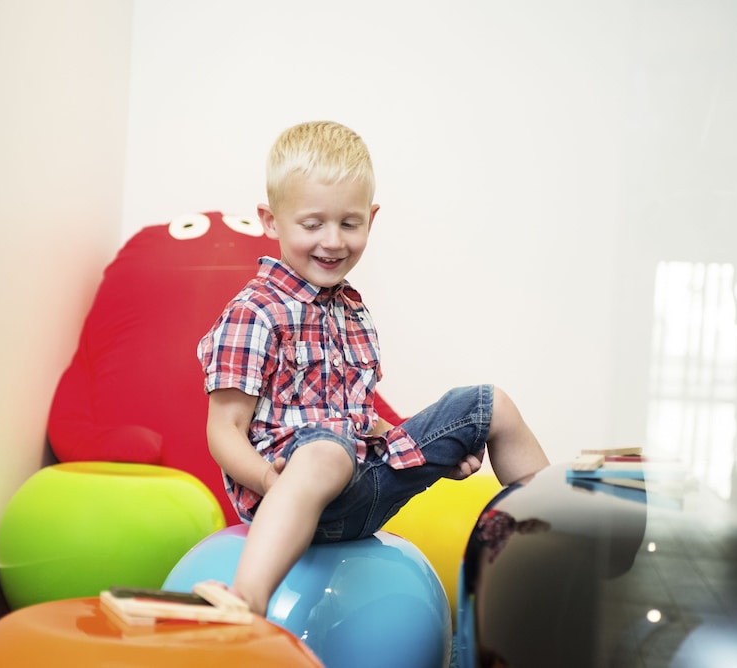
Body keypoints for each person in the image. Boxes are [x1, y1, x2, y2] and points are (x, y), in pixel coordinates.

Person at [197, 120, 549, 615]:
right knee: (326, 453)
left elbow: (360, 419)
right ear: (272, 220)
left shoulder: (351, 311)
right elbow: (224, 430)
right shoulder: (254, 312)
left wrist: (430, 450)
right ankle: (248, 598)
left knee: (491, 405)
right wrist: (268, 480)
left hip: (362, 486)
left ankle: (557, 550)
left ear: (371, 218)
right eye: (312, 223)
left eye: (349, 222)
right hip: (294, 495)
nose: (333, 241)